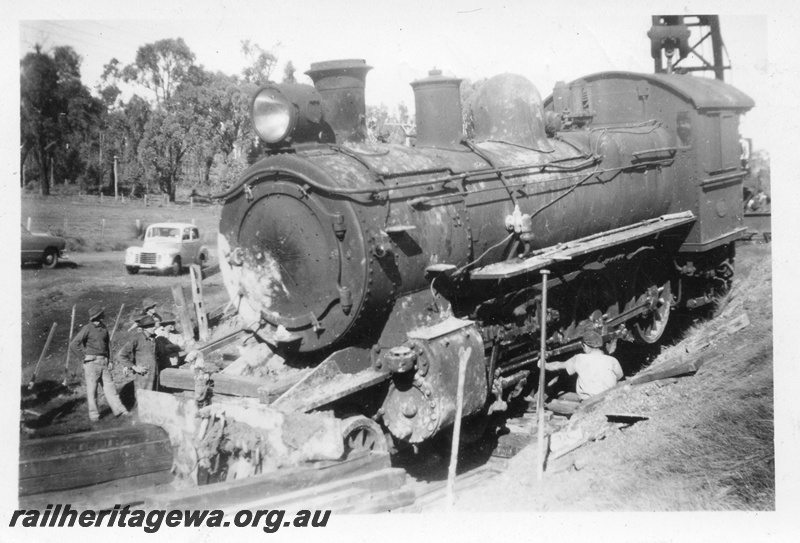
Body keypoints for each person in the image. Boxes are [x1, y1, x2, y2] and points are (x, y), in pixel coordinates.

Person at [70, 306, 129, 421]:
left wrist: (110, 360)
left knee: (110, 387)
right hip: (91, 363)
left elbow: (108, 346)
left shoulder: (104, 328)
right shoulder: (87, 328)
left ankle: (121, 411)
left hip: (104, 362)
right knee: (92, 390)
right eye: (102, 313)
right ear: (98, 316)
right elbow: (74, 344)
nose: (104, 315)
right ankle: (94, 416)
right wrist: (84, 358)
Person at [541, 330, 623, 400]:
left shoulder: (579, 358)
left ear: (584, 345)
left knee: (559, 397)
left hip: (588, 403)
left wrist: (543, 364)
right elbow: (619, 376)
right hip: (608, 400)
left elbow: (556, 366)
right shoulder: (613, 360)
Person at [117, 315, 158, 392]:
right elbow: (121, 355)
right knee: (142, 398)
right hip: (143, 376)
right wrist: (134, 367)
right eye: (151, 326)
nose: (154, 327)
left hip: (154, 374)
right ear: (145, 328)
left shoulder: (154, 338)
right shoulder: (136, 338)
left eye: (154, 325)